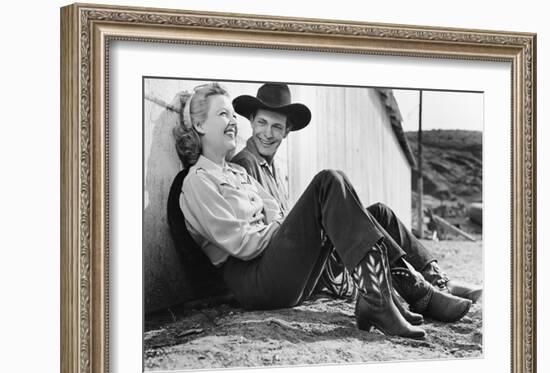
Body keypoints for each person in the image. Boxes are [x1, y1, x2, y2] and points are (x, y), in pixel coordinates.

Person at [170, 82, 473, 341]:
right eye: (223, 114)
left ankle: (403, 292)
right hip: (253, 281)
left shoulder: (238, 176)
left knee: (373, 211)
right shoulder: (197, 181)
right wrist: (302, 226)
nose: (233, 121)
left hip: (275, 269)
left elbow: (277, 212)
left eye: (232, 114)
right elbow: (244, 245)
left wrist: (301, 225)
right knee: (329, 181)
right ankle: (387, 298)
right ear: (199, 125)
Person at [230, 83, 482, 309]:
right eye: (262, 123)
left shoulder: (273, 168)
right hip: (282, 271)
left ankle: (437, 279)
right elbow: (257, 237)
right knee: (334, 189)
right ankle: (417, 289)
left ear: (287, 131)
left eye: (277, 127)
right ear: (251, 121)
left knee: (380, 213)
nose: (268, 133)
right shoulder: (244, 165)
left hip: (299, 261)